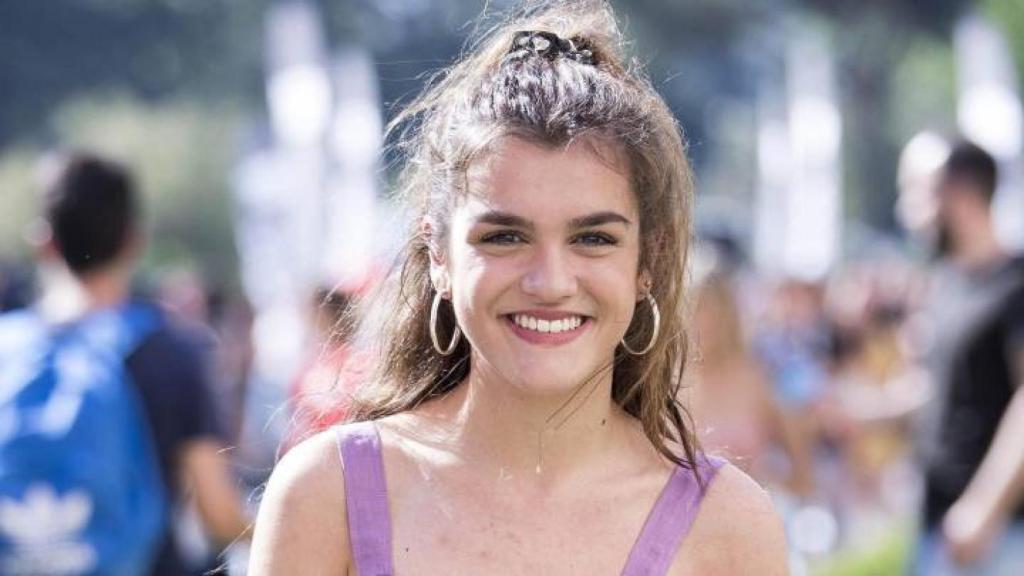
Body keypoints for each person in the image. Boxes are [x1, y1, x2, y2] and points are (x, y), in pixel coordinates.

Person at [250, 2, 787, 574]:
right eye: (505, 237)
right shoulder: (326, 494)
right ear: (439, 256)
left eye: (593, 239)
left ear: (647, 261)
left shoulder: (727, 526)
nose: (550, 282)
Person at [15, 153, 249, 574]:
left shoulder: (8, 348)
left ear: (44, 242)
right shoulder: (166, 350)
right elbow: (217, 514)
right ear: (134, 240)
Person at [902, 140, 1024, 574]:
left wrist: (985, 507)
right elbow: (934, 392)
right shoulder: (943, 284)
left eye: (915, 191)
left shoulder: (1016, 286)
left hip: (1000, 534)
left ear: (959, 193)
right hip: (938, 522)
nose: (907, 210)